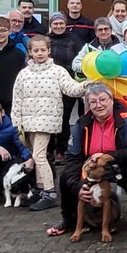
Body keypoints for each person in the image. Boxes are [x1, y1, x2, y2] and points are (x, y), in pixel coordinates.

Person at [48, 83, 127, 237]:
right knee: (65, 178)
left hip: (121, 166)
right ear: (88, 104)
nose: (99, 105)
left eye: (103, 100)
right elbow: (72, 157)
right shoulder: (81, 123)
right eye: (93, 102)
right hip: (92, 168)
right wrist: (78, 187)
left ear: (111, 100)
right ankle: (69, 219)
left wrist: (109, 156)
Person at [12, 35, 88, 211]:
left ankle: (50, 192)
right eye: (36, 50)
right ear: (30, 52)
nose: (40, 53)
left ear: (49, 51)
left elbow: (71, 88)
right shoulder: (23, 74)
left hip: (47, 120)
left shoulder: (58, 71)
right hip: (27, 120)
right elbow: (17, 98)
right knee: (39, 156)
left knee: (38, 156)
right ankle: (40, 189)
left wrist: (84, 85)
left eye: (43, 50)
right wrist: (16, 120)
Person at [48, 12, 85, 160]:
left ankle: (61, 150)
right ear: (51, 25)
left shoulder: (74, 39)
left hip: (69, 83)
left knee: (64, 117)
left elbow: (81, 59)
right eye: (55, 24)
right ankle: (49, 148)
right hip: (50, 84)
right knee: (51, 118)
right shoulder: (46, 40)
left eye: (61, 23)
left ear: (65, 24)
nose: (58, 26)